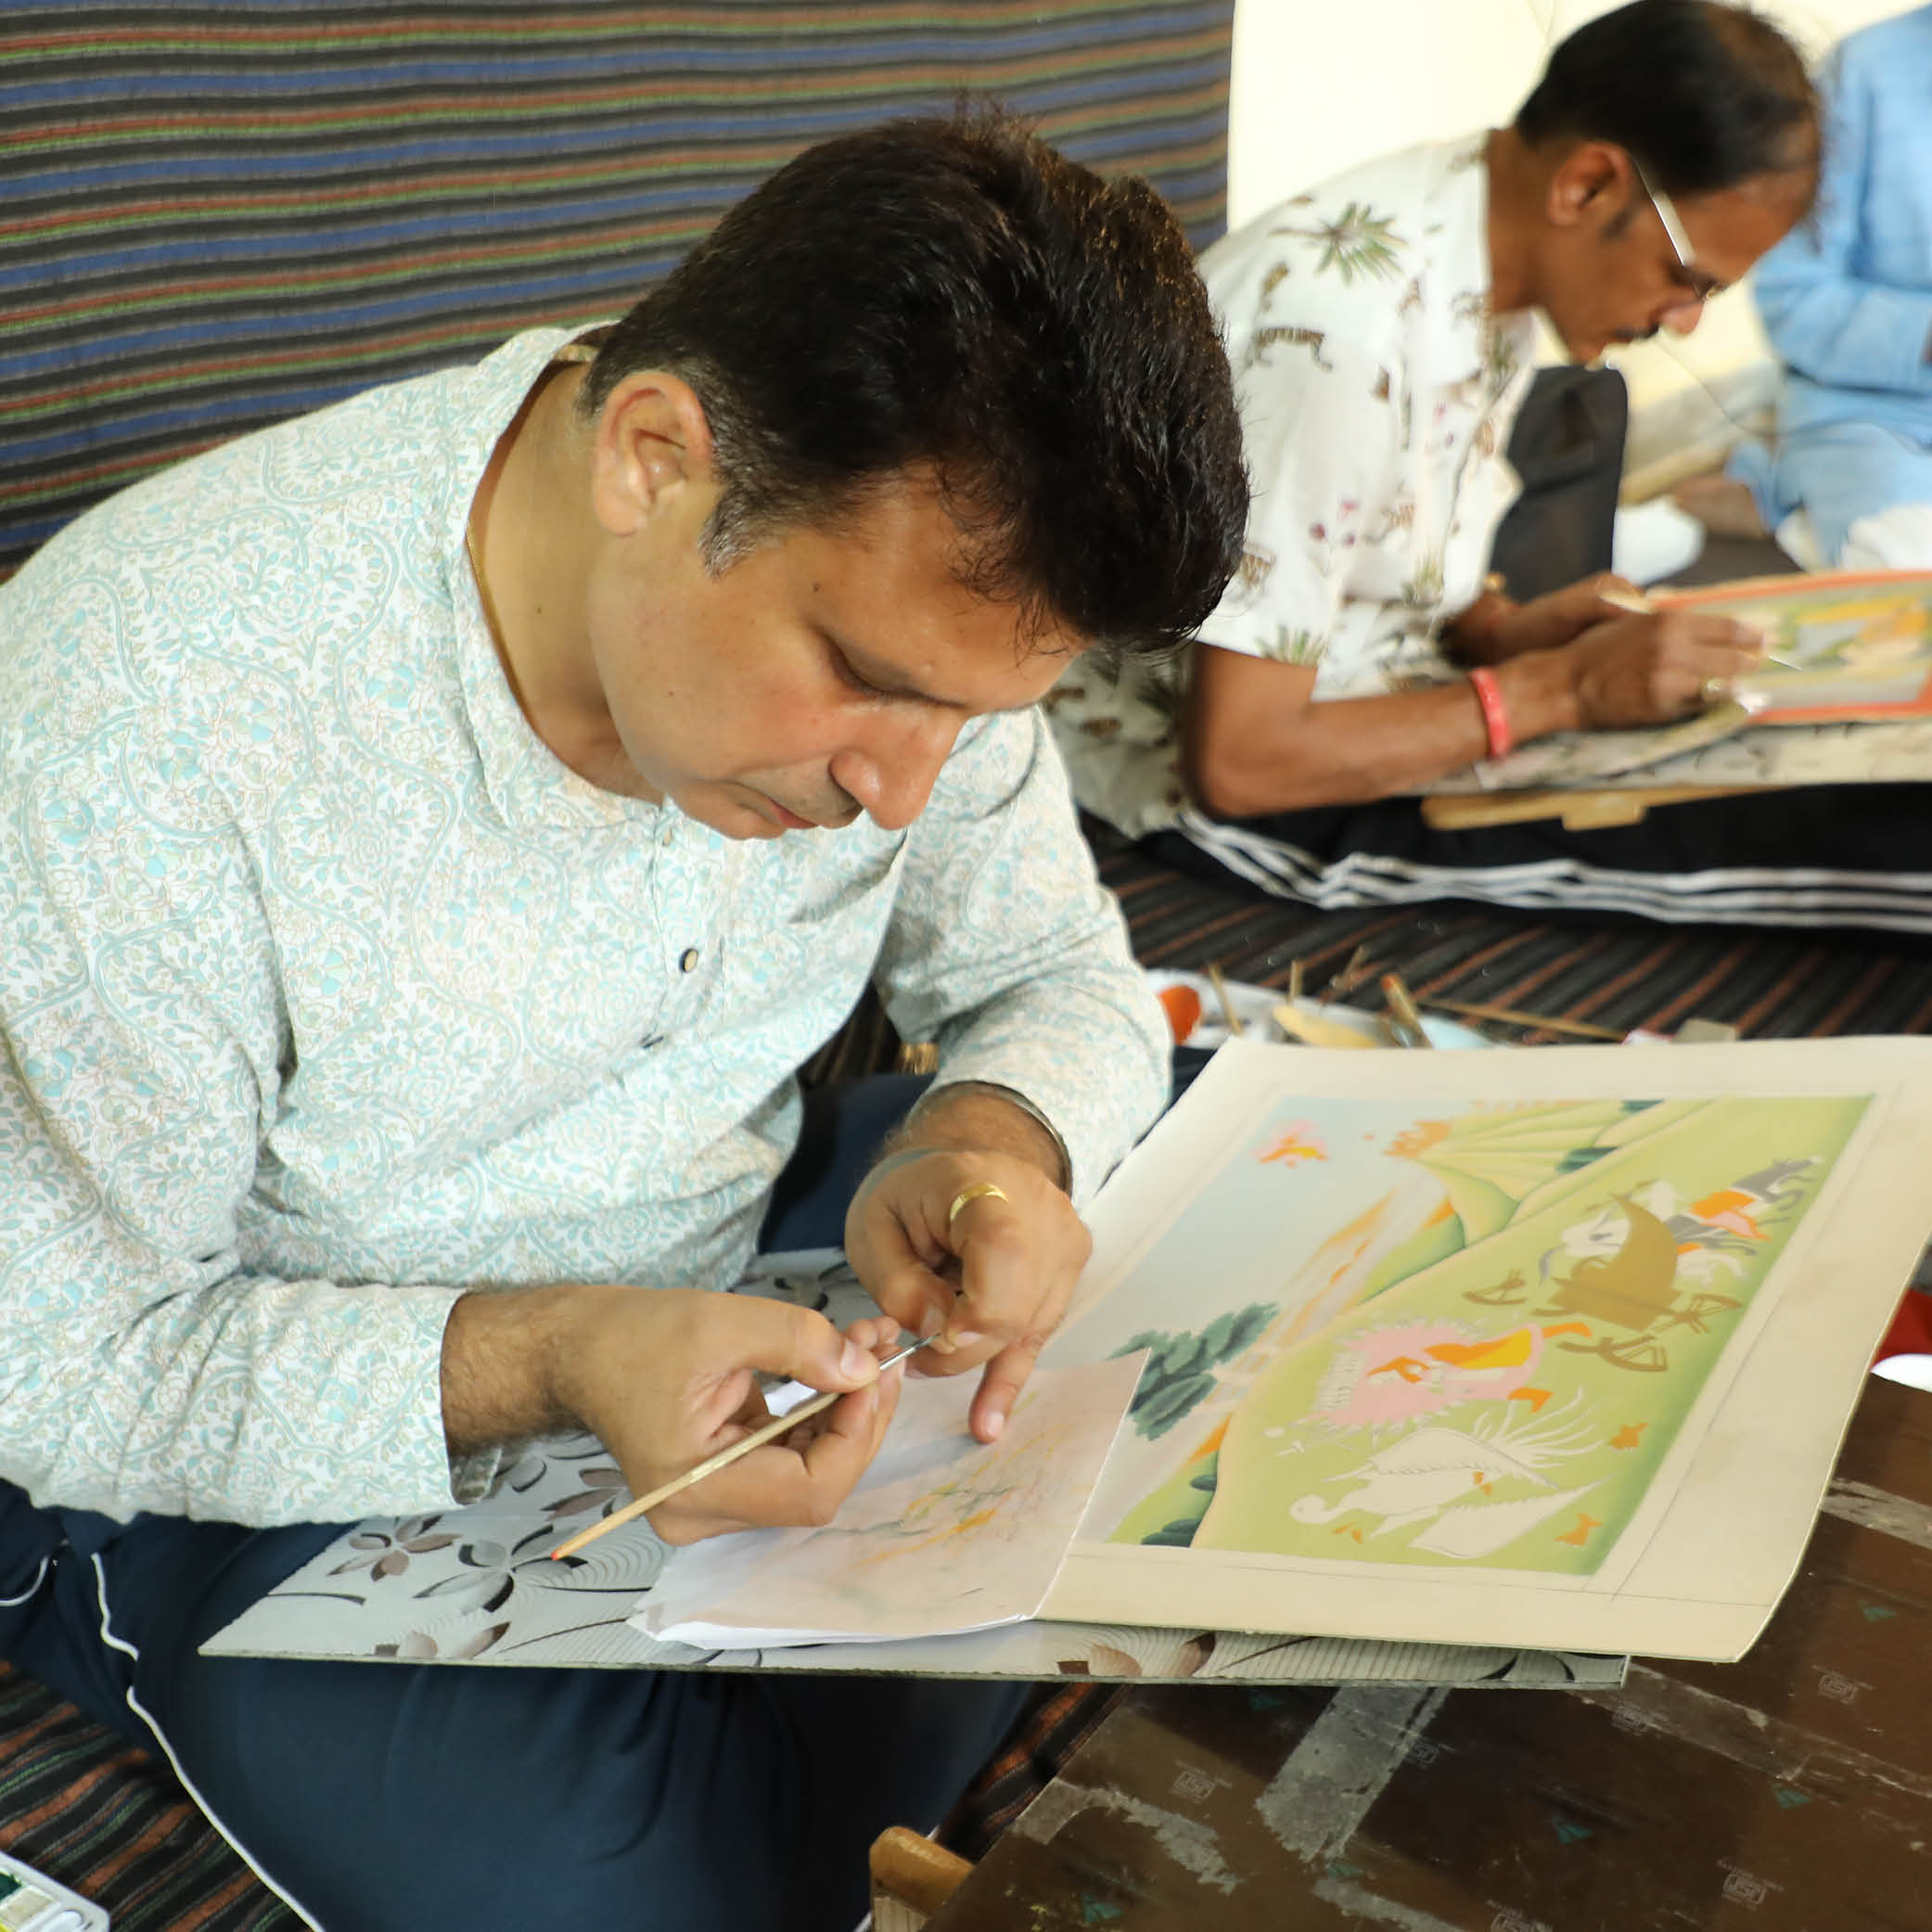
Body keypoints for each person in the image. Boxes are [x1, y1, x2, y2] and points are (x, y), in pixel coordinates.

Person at [0, 112, 1247, 1930]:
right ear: (652, 458)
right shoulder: (143, 717)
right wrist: (567, 1352)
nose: (904, 796)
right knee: (627, 1878)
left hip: (744, 1256)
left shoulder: (928, 598)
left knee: (1225, 1187)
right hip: (276, 1431)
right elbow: (74, 1363)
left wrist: (988, 1142)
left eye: (973, 723)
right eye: (868, 686)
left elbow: (1054, 975)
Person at [1048, 0, 1928, 935]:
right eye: (1689, 279)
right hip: (1221, 792)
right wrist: (1563, 689)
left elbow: (1374, 543)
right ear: (1586, 186)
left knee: (1837, 758)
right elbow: (1238, 764)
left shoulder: (1476, 228)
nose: (1685, 322)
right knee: (1884, 848)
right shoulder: (1341, 341)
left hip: (1383, 696)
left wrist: (1503, 632)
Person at [1723, 5, 1932, 572]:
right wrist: (1923, 334)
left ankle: (1783, 508)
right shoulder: (1864, 73)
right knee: (1907, 568)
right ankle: (1788, 490)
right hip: (1876, 421)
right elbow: (1793, 298)